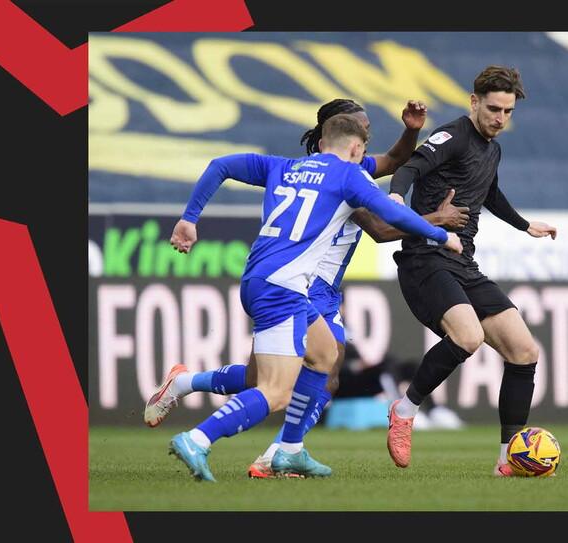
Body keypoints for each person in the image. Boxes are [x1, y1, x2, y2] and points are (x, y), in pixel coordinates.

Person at [144, 99, 469, 478]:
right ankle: (199, 439)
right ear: (350, 143)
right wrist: (438, 229)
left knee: (323, 356)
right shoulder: (347, 177)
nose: (367, 143)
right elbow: (384, 226)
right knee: (274, 390)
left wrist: (188, 219)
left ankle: (284, 446)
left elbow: (220, 165)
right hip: (291, 286)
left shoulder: (287, 167)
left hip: (270, 280)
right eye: (363, 136)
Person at [384, 65, 558, 477]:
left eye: (508, 111)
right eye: (494, 108)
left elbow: (489, 192)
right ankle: (405, 409)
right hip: (425, 258)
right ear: (474, 102)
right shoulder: (452, 135)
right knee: (469, 337)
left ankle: (507, 462)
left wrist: (524, 225)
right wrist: (394, 195)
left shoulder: (492, 149)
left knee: (524, 351)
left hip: (464, 262)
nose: (500, 118)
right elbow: (409, 168)